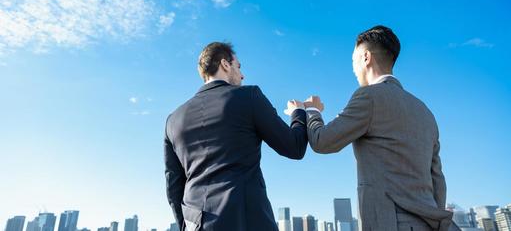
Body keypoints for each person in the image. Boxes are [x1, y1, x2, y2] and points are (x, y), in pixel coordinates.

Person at [289, 25, 452, 231]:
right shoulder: (425, 112)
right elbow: (437, 179)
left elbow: (322, 141)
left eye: (353, 61)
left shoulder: (368, 97)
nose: (353, 69)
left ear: (366, 57)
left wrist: (312, 111)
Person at [164, 42, 308, 231]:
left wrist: (187, 225)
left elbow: (173, 186)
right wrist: (298, 112)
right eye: (238, 66)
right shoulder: (249, 96)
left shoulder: (173, 119)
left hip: (196, 224)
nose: (242, 75)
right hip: (246, 222)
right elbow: (294, 147)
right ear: (225, 64)